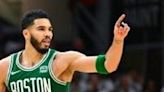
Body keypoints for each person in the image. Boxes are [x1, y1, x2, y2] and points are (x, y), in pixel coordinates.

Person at [0, 9, 130, 92]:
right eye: (41, 29)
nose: (48, 34)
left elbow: (108, 65)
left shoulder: (62, 60)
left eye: (50, 29)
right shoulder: (5, 67)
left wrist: (118, 41)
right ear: (26, 34)